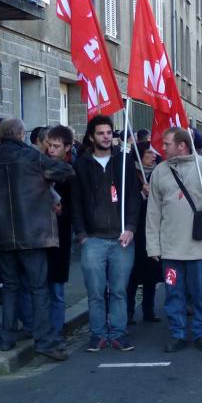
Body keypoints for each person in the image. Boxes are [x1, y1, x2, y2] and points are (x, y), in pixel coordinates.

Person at [0, 118, 74, 360]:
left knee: (10, 287)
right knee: (38, 288)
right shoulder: (32, 157)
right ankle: (45, 341)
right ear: (21, 134)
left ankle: (7, 338)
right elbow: (65, 171)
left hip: (1, 233)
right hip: (32, 233)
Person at [146, 127, 202, 352]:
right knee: (173, 294)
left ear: (182, 145)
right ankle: (178, 333)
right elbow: (153, 212)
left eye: (167, 144)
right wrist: (153, 246)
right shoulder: (159, 172)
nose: (161, 148)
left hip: (199, 248)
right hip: (171, 250)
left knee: (201, 293)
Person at [73, 116, 142, 352]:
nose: (105, 136)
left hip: (121, 239)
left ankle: (119, 334)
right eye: (100, 133)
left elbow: (134, 197)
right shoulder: (81, 164)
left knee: (119, 291)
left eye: (108, 132)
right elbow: (76, 202)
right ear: (91, 136)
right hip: (93, 239)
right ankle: (98, 334)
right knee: (95, 292)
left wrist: (131, 228)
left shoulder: (123, 162)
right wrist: (82, 235)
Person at [42, 125, 76, 340]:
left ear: (67, 147)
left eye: (56, 146)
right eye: (49, 145)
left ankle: (56, 330)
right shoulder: (39, 165)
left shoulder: (71, 171)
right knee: (39, 287)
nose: (52, 150)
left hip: (60, 236)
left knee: (56, 289)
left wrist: (64, 210)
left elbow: (76, 206)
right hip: (40, 234)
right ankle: (42, 329)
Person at [126, 142, 162, 325]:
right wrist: (141, 193)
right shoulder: (130, 172)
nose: (153, 156)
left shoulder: (159, 172)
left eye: (154, 153)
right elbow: (126, 200)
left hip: (154, 229)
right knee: (132, 274)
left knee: (152, 273)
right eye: (149, 153)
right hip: (136, 228)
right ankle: (129, 311)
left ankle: (149, 310)